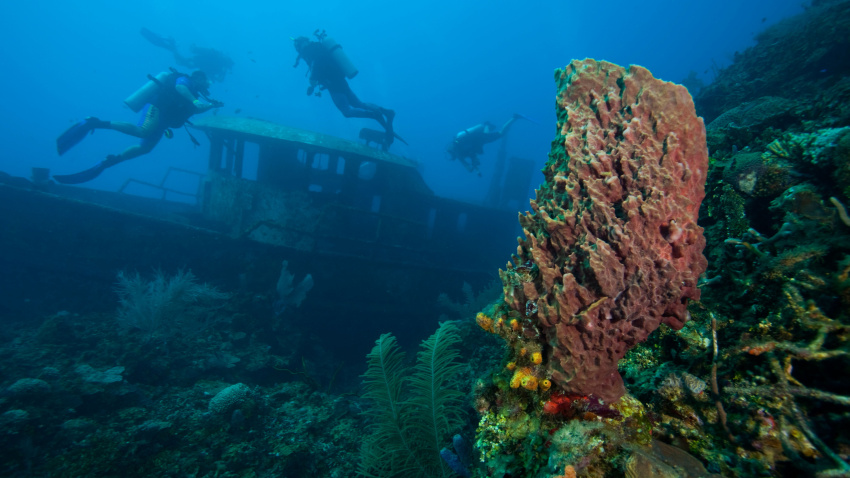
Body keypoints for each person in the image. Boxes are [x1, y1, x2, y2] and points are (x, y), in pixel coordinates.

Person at [54, 70, 222, 184]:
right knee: (143, 131)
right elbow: (179, 87)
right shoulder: (186, 80)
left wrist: (210, 106)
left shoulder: (195, 94)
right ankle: (94, 123)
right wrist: (195, 100)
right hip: (155, 108)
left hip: (164, 121)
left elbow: (195, 109)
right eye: (205, 81)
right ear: (198, 78)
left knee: (145, 149)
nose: (207, 85)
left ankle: (111, 161)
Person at [293, 30, 398, 147]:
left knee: (346, 111)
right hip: (340, 80)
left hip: (333, 85)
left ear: (300, 45)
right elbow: (322, 64)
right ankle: (385, 112)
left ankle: (375, 115)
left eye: (297, 47)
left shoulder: (310, 51)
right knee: (359, 104)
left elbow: (317, 64)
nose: (298, 50)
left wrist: (312, 83)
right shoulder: (319, 46)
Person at [447, 114, 524, 175]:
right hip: (476, 139)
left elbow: (469, 169)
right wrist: (475, 165)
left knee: (499, 133)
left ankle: (513, 118)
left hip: (477, 139)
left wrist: (473, 165)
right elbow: (472, 159)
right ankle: (488, 126)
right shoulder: (464, 152)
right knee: (489, 136)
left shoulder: (460, 155)